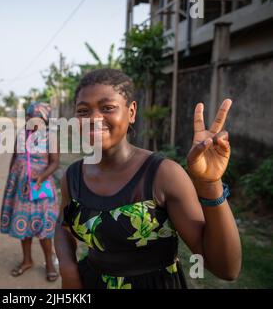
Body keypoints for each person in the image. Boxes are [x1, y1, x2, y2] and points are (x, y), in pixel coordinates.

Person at [54, 69, 242, 289]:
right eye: (83, 111)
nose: (94, 119)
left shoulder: (163, 175)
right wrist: (68, 270)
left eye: (107, 108)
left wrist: (210, 185)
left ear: (131, 111)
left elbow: (226, 269)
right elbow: (63, 225)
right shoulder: (74, 175)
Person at [0, 102, 60, 282]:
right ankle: (27, 260)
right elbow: (14, 157)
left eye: (33, 117)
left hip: (40, 188)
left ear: (43, 119)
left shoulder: (50, 137)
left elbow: (55, 162)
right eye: (27, 117)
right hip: (20, 188)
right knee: (23, 224)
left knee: (43, 225)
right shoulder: (21, 135)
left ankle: (49, 263)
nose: (29, 120)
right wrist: (12, 181)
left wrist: (41, 178)